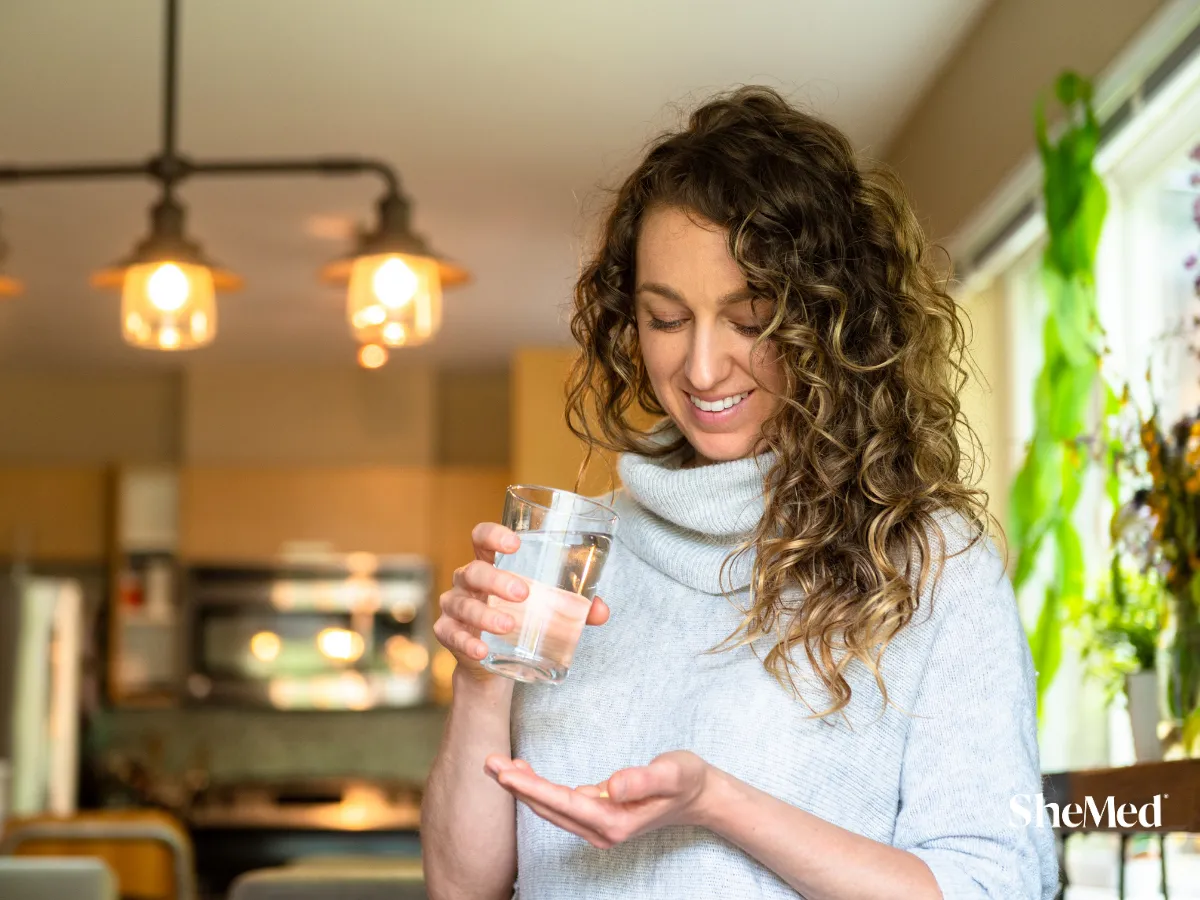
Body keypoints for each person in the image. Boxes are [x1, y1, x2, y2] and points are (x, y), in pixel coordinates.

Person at [421, 86, 1060, 900]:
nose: (701, 368)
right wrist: (480, 685)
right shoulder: (580, 563)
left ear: (831, 321)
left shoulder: (931, 567)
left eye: (750, 317)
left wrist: (719, 804)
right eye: (666, 318)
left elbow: (994, 885)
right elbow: (459, 888)